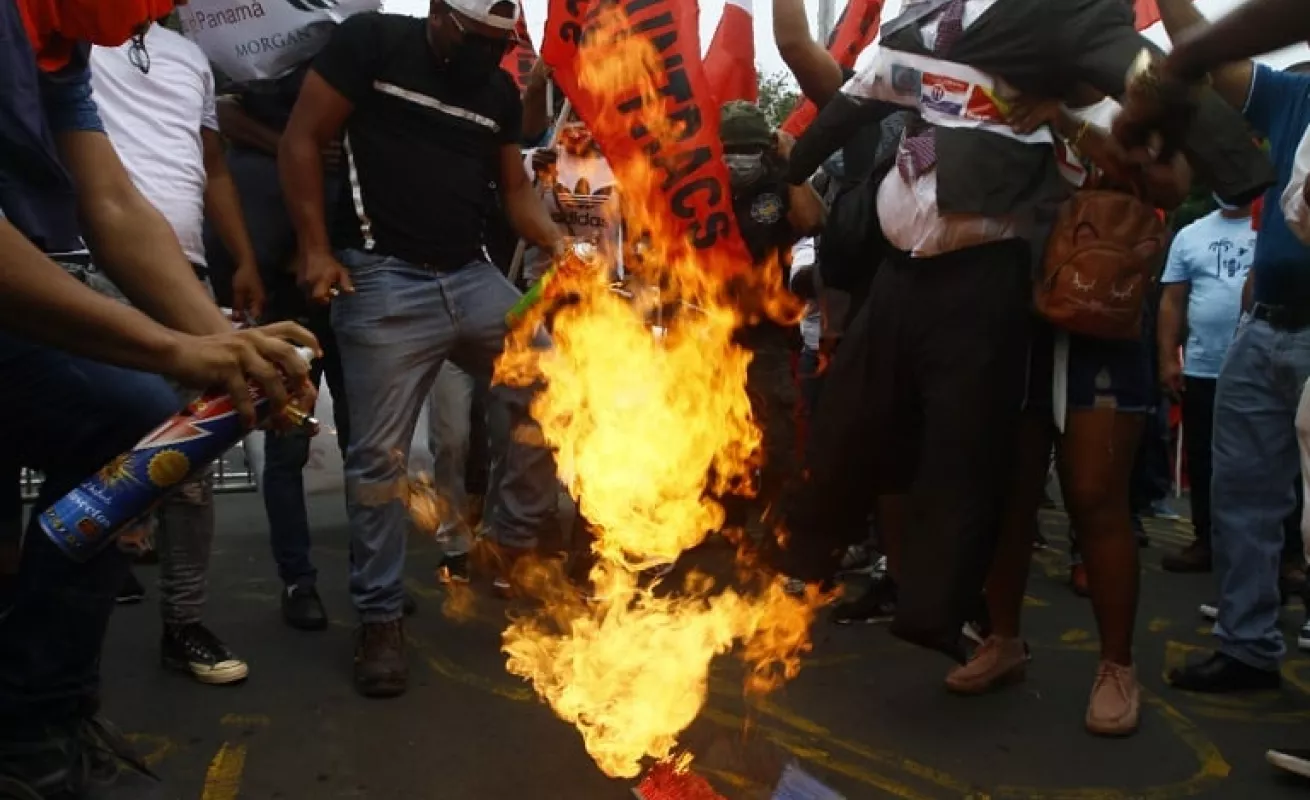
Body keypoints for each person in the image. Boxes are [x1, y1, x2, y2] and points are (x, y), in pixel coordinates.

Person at [775, 0, 1270, 667]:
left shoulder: (1078, 44)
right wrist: (788, 170)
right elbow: (857, 96)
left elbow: (1158, 101)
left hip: (1034, 293)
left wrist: (1230, 164)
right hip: (929, 282)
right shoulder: (928, 48)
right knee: (875, 431)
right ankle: (829, 564)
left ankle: (1040, 644)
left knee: (1017, 473)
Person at [0, 1, 317, 795]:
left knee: (128, 419)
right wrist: (179, 348)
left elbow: (109, 202)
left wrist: (223, 344)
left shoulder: (58, 45)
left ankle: (36, 726)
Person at [279, 0, 564, 698]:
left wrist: (563, 244)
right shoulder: (373, 43)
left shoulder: (496, 91)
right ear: (438, 12)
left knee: (558, 375)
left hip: (471, 278)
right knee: (378, 458)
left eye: (497, 43)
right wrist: (316, 251)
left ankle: (506, 542)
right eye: (473, 38)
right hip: (381, 277)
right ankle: (379, 619)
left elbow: (514, 191)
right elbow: (300, 140)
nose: (483, 56)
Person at [944, 88, 1189, 737]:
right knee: (1010, 495)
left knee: (1094, 495)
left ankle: (1116, 666)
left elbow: (1174, 182)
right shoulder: (995, 79)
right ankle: (1003, 641)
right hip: (1012, 308)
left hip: (1099, 316)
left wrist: (1070, 120)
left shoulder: (1132, 83)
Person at [90, 19, 259, 685]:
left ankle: (182, 625)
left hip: (185, 277)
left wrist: (241, 257)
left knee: (190, 461)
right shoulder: (72, 41)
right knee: (92, 459)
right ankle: (61, 653)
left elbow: (212, 167)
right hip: (88, 269)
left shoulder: (189, 55)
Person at [1150, 0, 1310, 695]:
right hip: (1265, 329)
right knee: (1241, 494)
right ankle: (1247, 646)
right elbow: (1208, 52)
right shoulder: (1292, 99)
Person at [202, 56, 351, 634]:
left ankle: (372, 579)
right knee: (287, 446)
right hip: (284, 302)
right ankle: (299, 579)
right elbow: (222, 114)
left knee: (368, 447)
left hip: (348, 300)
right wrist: (290, 140)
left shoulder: (351, 57)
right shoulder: (262, 61)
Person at [1158, 199, 1258, 574]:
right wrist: (1169, 357)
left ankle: (1287, 553)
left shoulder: (1274, 226)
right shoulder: (1191, 234)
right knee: (1203, 460)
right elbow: (1172, 300)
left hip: (1258, 368)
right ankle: (1207, 540)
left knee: (1266, 462)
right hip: (1203, 368)